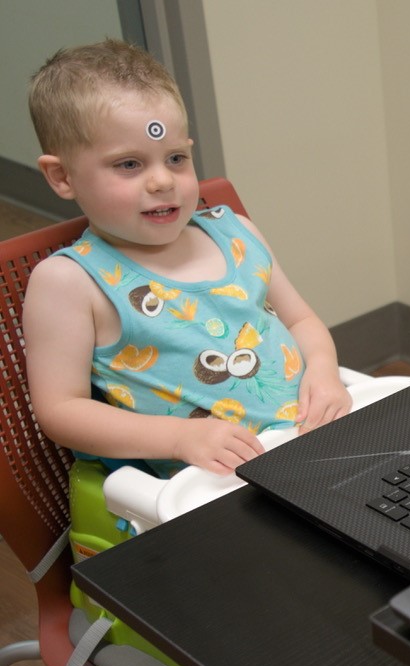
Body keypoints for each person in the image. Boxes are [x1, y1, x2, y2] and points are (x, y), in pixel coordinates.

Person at [24, 39, 351, 478]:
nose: (163, 181)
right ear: (62, 176)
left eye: (176, 158)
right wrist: (179, 439)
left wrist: (325, 372)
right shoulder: (70, 282)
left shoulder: (236, 233)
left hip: (315, 440)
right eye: (128, 165)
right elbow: (61, 411)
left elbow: (301, 322)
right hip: (212, 486)